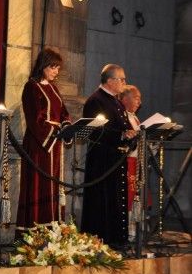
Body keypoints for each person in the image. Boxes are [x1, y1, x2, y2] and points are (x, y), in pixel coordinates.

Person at [16, 49, 71, 234]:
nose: (56, 71)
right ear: (43, 65)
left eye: (58, 68)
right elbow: (34, 120)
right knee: (38, 186)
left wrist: (67, 125)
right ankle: (34, 233)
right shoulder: (31, 87)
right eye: (53, 67)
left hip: (54, 146)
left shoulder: (53, 88)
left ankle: (53, 230)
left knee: (53, 187)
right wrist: (56, 130)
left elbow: (63, 112)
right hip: (39, 146)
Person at [81, 64, 137, 246]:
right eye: (122, 79)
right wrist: (121, 135)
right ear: (111, 81)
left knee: (116, 201)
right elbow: (96, 131)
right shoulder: (95, 101)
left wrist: (130, 135)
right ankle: (100, 242)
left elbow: (122, 127)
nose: (124, 83)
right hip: (101, 161)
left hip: (115, 160)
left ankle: (116, 240)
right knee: (101, 202)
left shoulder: (116, 101)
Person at [119, 85, 144, 241]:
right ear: (125, 99)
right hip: (126, 162)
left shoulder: (134, 117)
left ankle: (134, 230)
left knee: (136, 196)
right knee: (126, 197)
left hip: (136, 162)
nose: (139, 102)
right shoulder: (122, 116)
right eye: (136, 98)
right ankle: (124, 231)